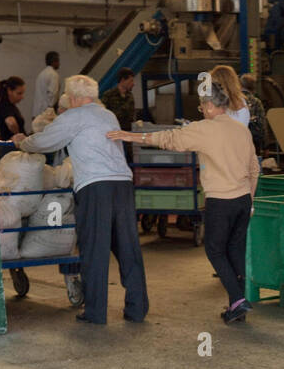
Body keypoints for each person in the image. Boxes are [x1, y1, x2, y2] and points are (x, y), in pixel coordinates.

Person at [108, 79, 258, 323]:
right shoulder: (241, 129)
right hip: (242, 200)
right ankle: (236, 304)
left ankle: (238, 299)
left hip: (221, 201)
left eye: (201, 107)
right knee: (235, 249)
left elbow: (168, 138)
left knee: (214, 250)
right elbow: (254, 168)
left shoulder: (205, 129)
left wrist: (131, 136)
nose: (202, 110)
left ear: (209, 105)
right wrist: (250, 199)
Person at [14, 73, 148, 326]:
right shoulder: (107, 114)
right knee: (128, 247)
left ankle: (95, 312)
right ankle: (137, 308)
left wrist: (23, 143)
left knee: (94, 248)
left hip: (96, 186)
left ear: (73, 97)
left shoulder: (74, 116)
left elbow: (45, 141)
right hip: (123, 184)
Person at [101, 68, 137, 166]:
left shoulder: (130, 96)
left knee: (131, 160)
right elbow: (103, 116)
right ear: (122, 80)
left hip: (128, 134)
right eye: (131, 81)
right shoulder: (108, 95)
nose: (133, 83)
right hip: (114, 135)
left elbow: (132, 115)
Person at [240, 72, 267, 157]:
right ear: (254, 87)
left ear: (240, 85)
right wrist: (265, 145)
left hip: (236, 141)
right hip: (253, 141)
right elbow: (262, 124)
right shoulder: (256, 102)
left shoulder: (233, 101)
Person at [0, 77, 26, 141]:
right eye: (19, 93)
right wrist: (19, 135)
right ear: (9, 91)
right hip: (11, 146)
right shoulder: (5, 105)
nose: (22, 97)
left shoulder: (11, 106)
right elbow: (11, 123)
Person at [31, 52, 60, 119]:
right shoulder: (53, 74)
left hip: (37, 111)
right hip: (46, 112)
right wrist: (51, 110)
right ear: (54, 62)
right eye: (58, 61)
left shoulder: (41, 74)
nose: (59, 64)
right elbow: (52, 94)